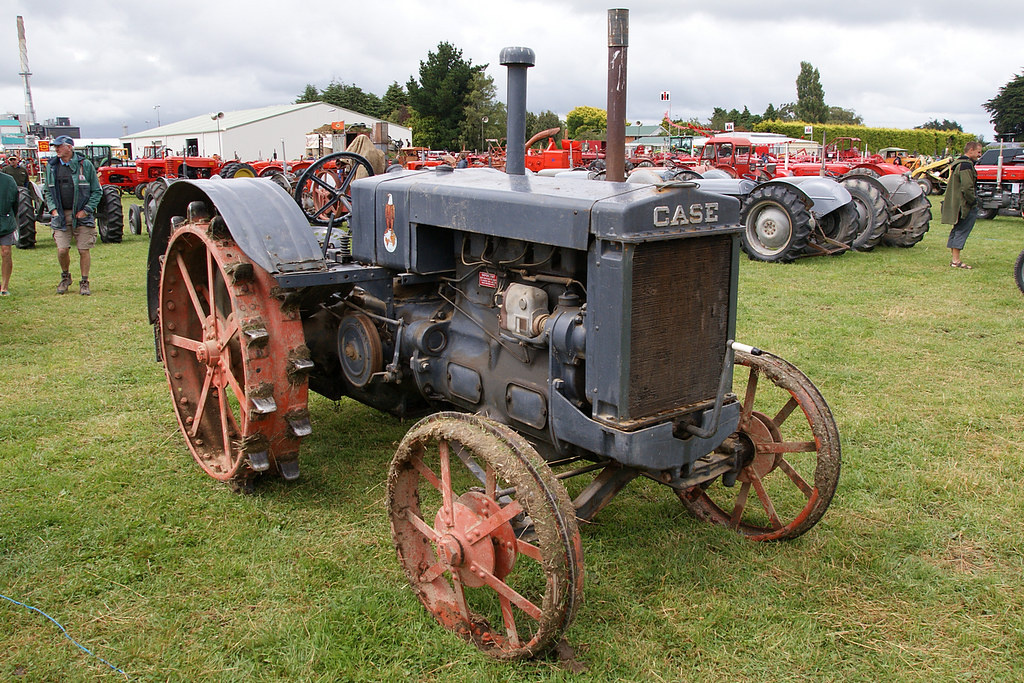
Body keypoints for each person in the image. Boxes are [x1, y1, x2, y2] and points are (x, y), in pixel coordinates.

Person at [43, 135, 101, 295]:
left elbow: (97, 191)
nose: (56, 149)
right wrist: (53, 209)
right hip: (60, 216)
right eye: (55, 146)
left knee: (84, 250)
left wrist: (87, 210)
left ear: (69, 147)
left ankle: (84, 281)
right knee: (62, 250)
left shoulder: (85, 165)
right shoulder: (52, 166)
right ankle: (65, 276)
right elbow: (47, 190)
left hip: (82, 215)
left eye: (59, 146)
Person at [941, 140, 984, 270]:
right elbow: (967, 187)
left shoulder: (959, 164)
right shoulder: (966, 165)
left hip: (958, 204)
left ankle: (954, 259)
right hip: (964, 205)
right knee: (961, 230)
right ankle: (956, 260)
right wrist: (973, 201)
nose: (979, 155)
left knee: (957, 229)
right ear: (970, 150)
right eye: (978, 152)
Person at [0, 170, 17, 295]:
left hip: (5, 222)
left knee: (6, 251)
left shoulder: (8, 180)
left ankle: (4, 287)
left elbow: (15, 203)